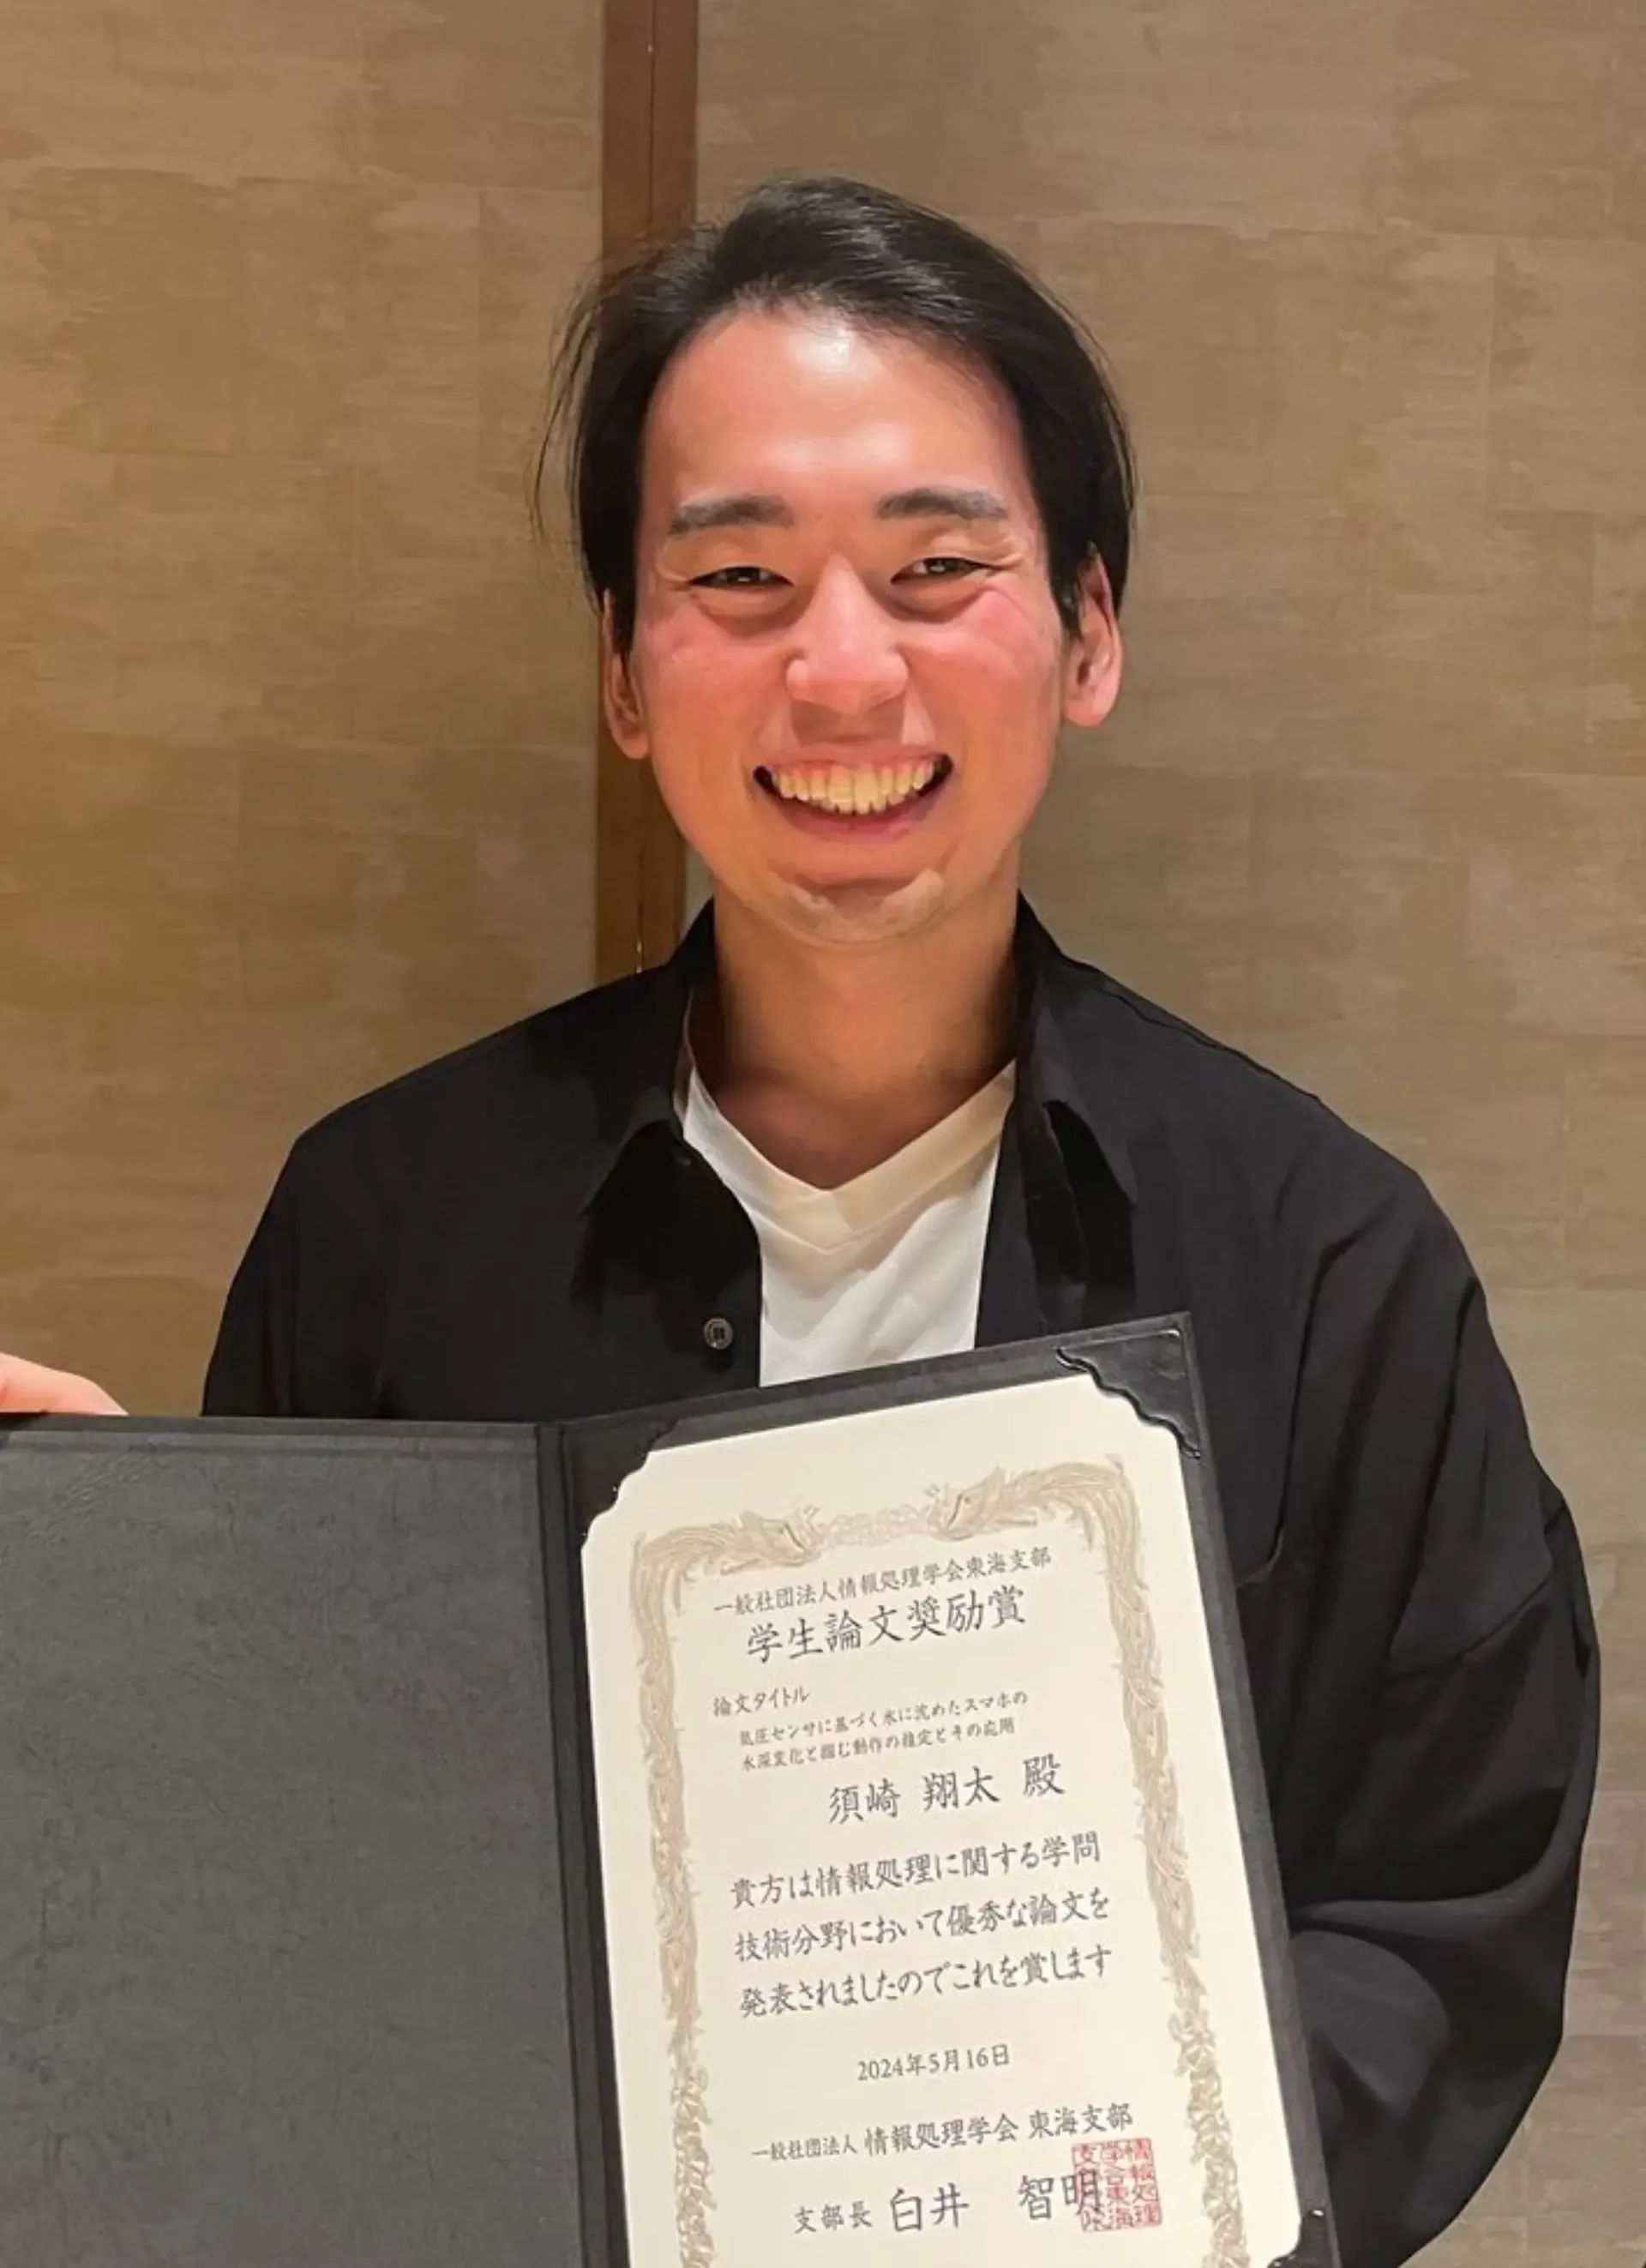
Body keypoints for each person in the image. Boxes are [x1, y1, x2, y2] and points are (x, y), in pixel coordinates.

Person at [0, 175, 1596, 2266]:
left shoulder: (1327, 1259)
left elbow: (1437, 1918)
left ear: (1090, 630)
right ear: (622, 667)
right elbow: (287, 1894)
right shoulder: (383, 1220)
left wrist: (1064, 2190)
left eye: (939, 568)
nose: (844, 671)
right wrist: (103, 1618)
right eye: (740, 576)